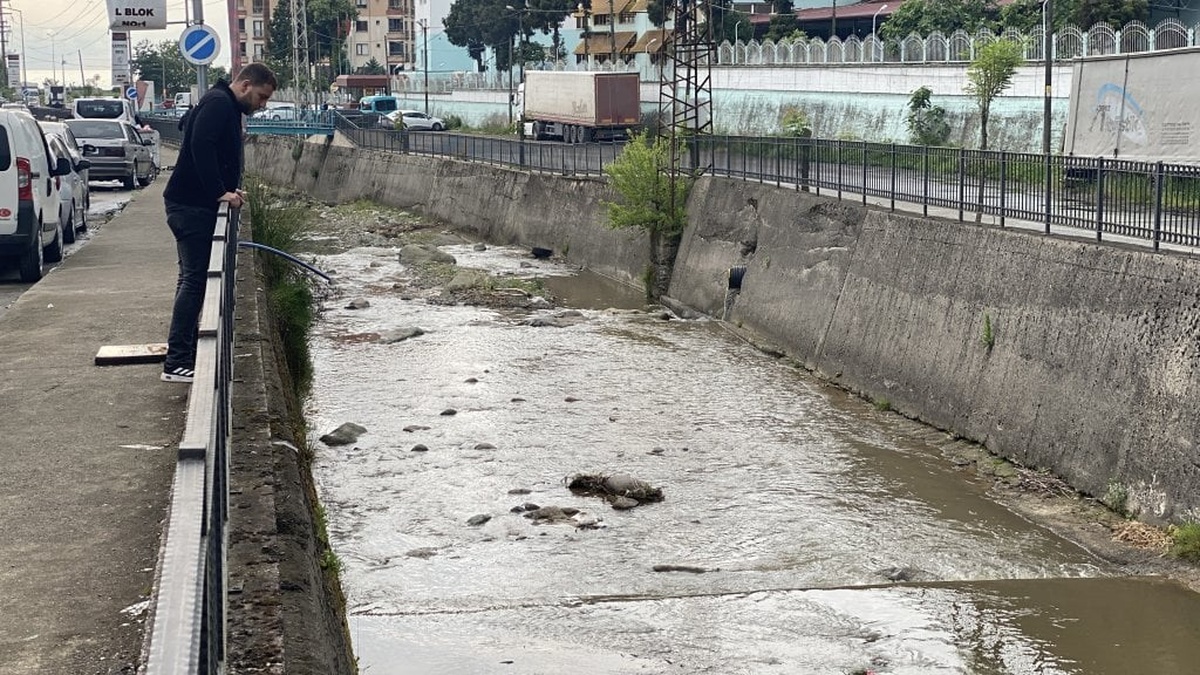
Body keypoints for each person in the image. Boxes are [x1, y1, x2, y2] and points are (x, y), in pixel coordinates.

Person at [161, 64, 277, 383]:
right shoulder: (219, 103)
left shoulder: (219, 101)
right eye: (262, 97)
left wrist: (228, 188)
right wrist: (219, 191)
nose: (262, 104)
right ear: (246, 85)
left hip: (188, 204)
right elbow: (200, 145)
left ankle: (183, 354)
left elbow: (193, 131)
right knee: (195, 281)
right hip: (191, 207)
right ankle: (177, 361)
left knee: (190, 280)